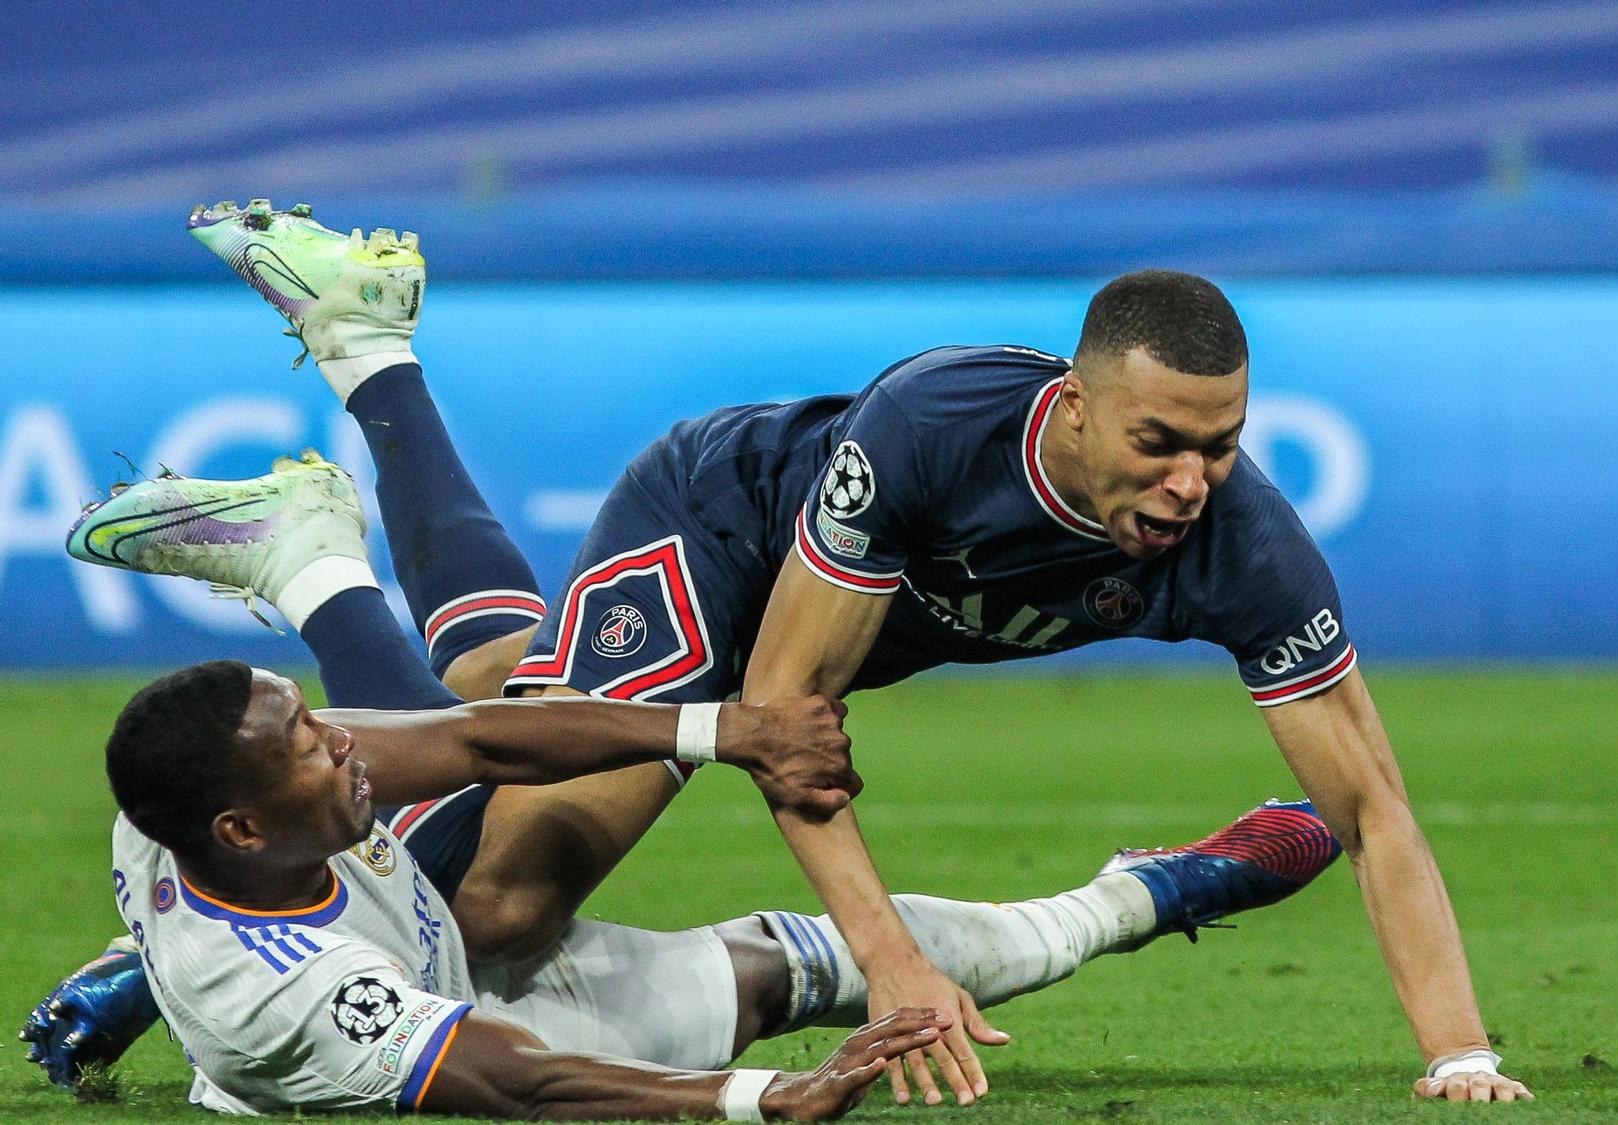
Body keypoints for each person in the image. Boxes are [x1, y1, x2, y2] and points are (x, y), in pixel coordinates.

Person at [127, 199, 1524, 1103]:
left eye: (1220, 448)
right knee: (501, 901)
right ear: (1080, 407)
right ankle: (335, 477)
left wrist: (1459, 1054)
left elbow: (1373, 808)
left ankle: (334, 471)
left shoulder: (1246, 544)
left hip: (793, 629)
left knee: (500, 695)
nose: (1189, 484)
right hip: (720, 533)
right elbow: (789, 715)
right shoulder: (935, 432)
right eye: (1159, 445)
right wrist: (893, 963)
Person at [29, 441, 1339, 1117]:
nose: (344, 742)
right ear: (242, 821)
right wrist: (756, 1098)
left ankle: (317, 544)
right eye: (310, 750)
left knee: (484, 715)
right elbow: (525, 1083)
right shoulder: (298, 1004)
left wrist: (725, 732)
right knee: (784, 981)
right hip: (441, 1009)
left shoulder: (204, 815)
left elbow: (479, 746)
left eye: (322, 724)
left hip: (384, 921)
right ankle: (1139, 898)